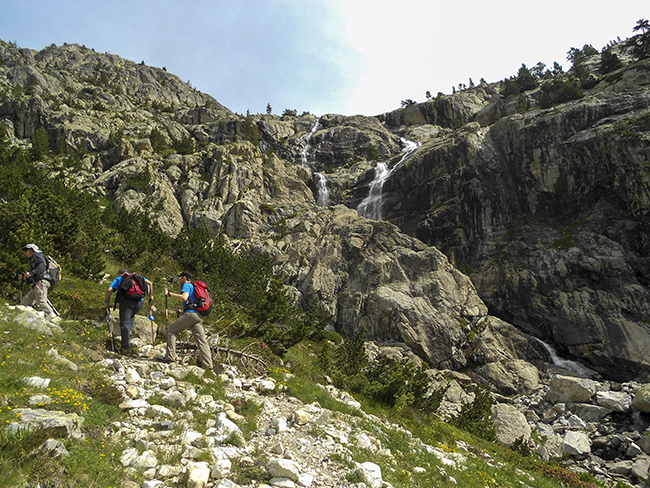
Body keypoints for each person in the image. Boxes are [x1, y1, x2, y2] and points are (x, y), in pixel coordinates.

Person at [158, 271, 213, 369]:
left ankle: (170, 357)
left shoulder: (187, 285)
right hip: (198, 316)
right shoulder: (195, 288)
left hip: (191, 315)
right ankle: (208, 366)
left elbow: (184, 297)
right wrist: (182, 312)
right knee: (202, 341)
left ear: (184, 278)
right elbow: (192, 304)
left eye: (180, 278)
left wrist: (169, 294)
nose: (179, 280)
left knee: (171, 331)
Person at [104, 269, 153, 355]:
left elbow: (109, 290)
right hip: (139, 302)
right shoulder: (137, 277)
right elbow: (150, 283)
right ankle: (130, 331)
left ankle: (125, 347)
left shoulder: (120, 278)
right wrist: (150, 296)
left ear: (120, 273)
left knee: (124, 322)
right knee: (131, 314)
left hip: (127, 301)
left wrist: (107, 303)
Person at [20, 244, 60, 323]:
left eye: (26, 250)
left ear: (31, 250)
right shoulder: (36, 257)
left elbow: (42, 267)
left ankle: (52, 316)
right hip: (38, 282)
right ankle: (21, 313)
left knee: (41, 301)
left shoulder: (36, 255)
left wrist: (31, 273)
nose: (25, 253)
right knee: (25, 301)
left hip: (42, 281)